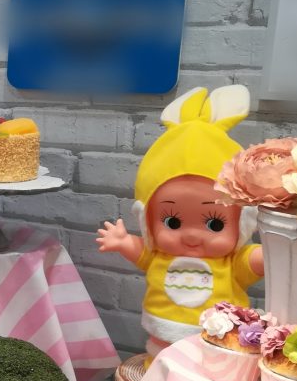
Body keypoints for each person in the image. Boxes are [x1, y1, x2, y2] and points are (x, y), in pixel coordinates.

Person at [97, 85, 263, 357]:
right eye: (172, 222)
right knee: (161, 361)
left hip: (217, 345)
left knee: (207, 369)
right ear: (148, 221)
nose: (191, 235)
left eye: (215, 224)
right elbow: (143, 255)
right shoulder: (159, 254)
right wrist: (124, 242)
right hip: (161, 335)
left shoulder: (230, 263)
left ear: (242, 223)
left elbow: (255, 261)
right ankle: (158, 370)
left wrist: (271, 255)